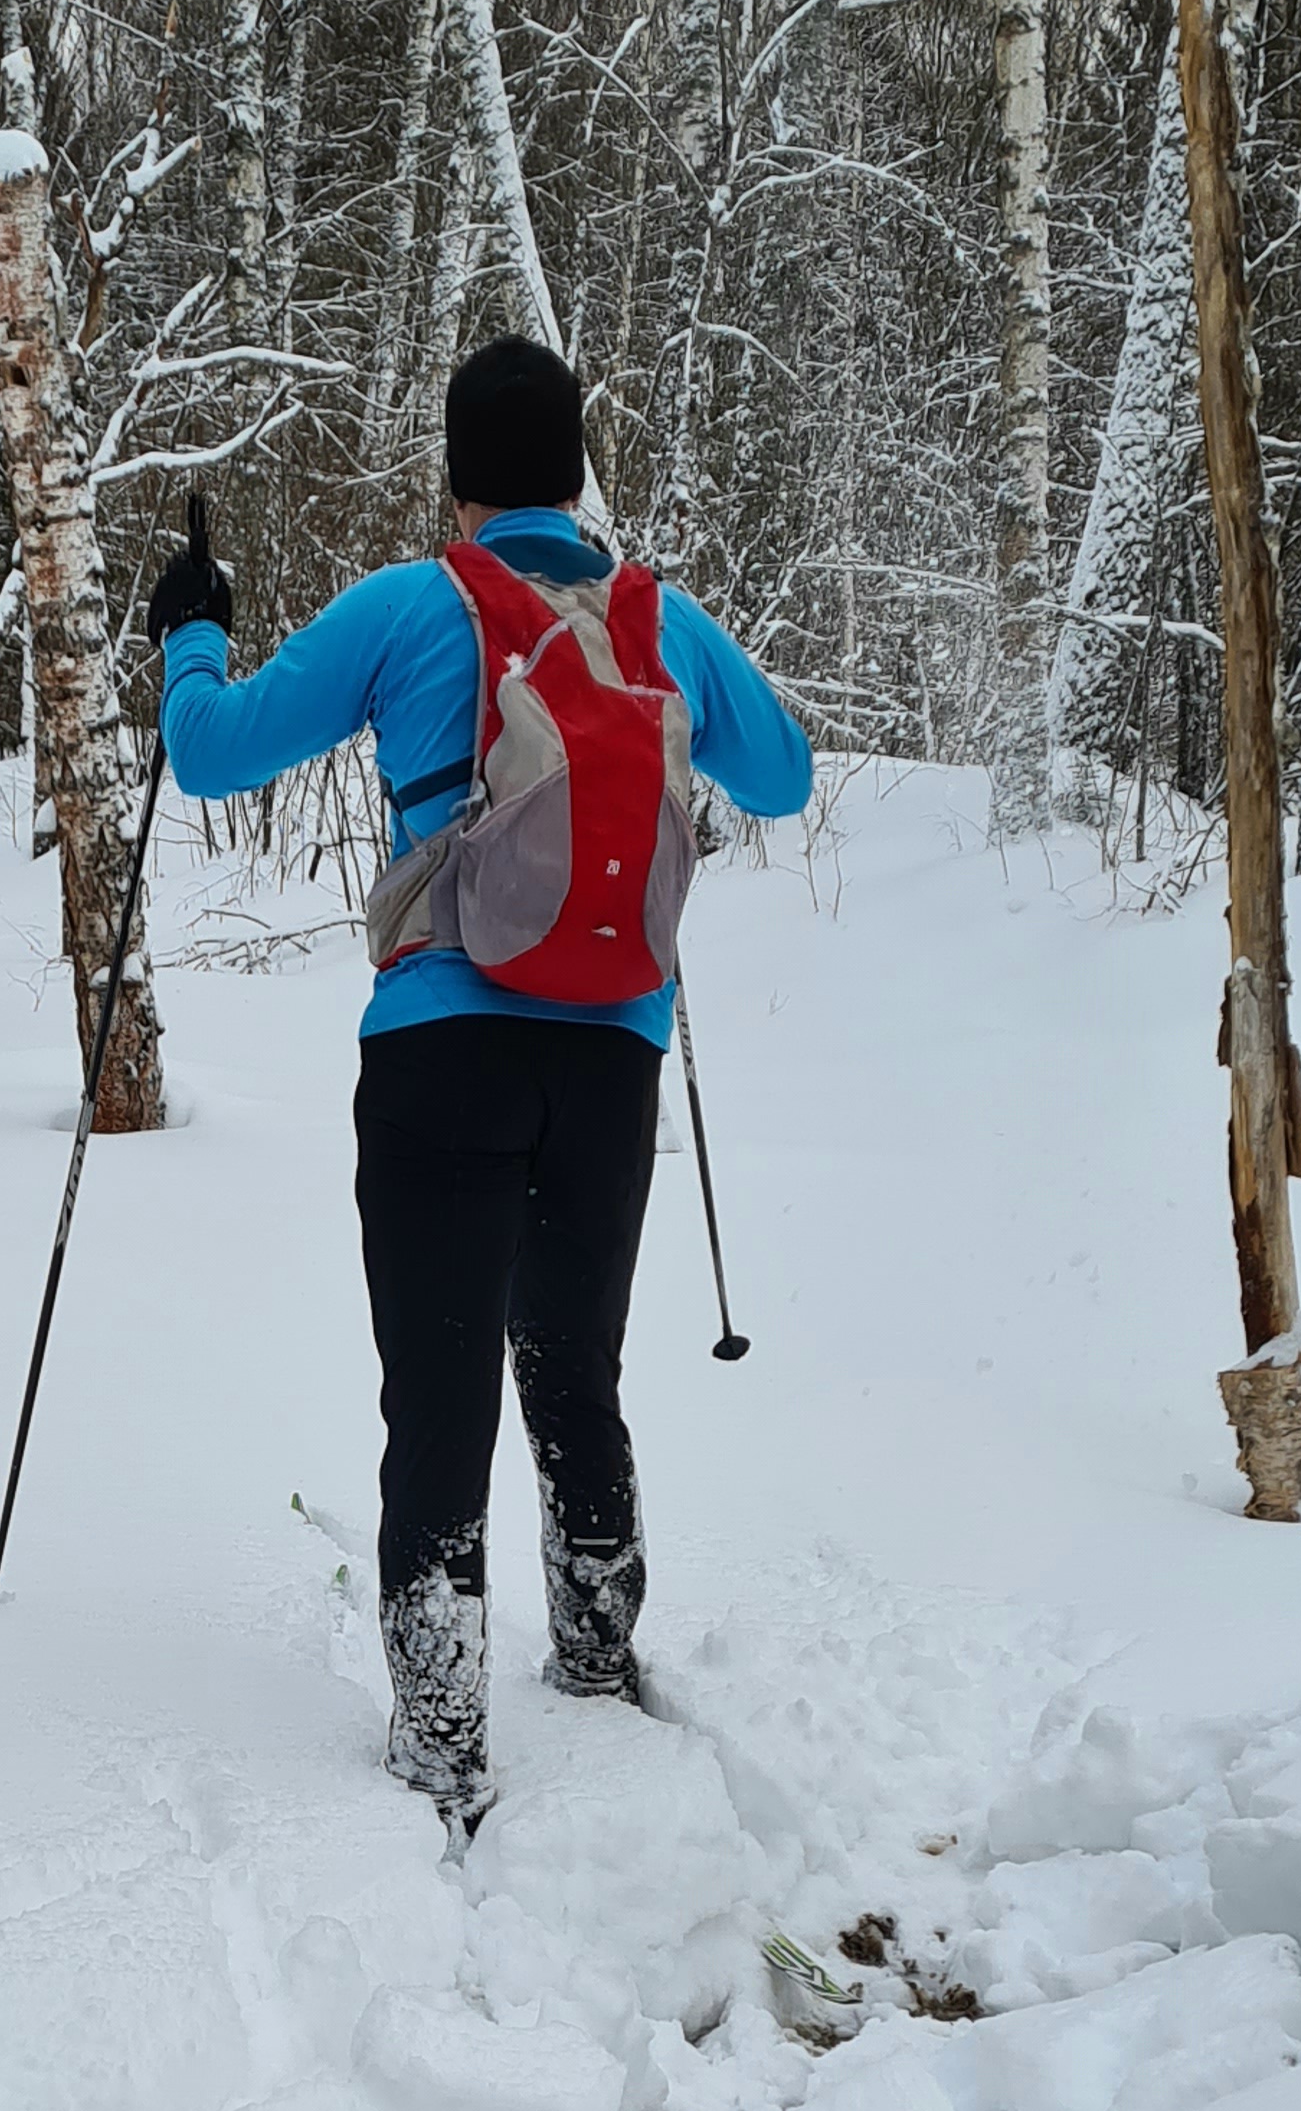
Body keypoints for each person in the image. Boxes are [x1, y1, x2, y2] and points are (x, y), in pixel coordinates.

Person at [146, 336, 811, 1831]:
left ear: (455, 479)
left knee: (440, 1395)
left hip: (440, 1049)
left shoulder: (409, 606)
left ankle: (445, 1737)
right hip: (613, 1056)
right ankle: (598, 1652)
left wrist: (191, 632)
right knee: (574, 1366)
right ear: (576, 474)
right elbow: (783, 775)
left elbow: (213, 755)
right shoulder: (658, 619)